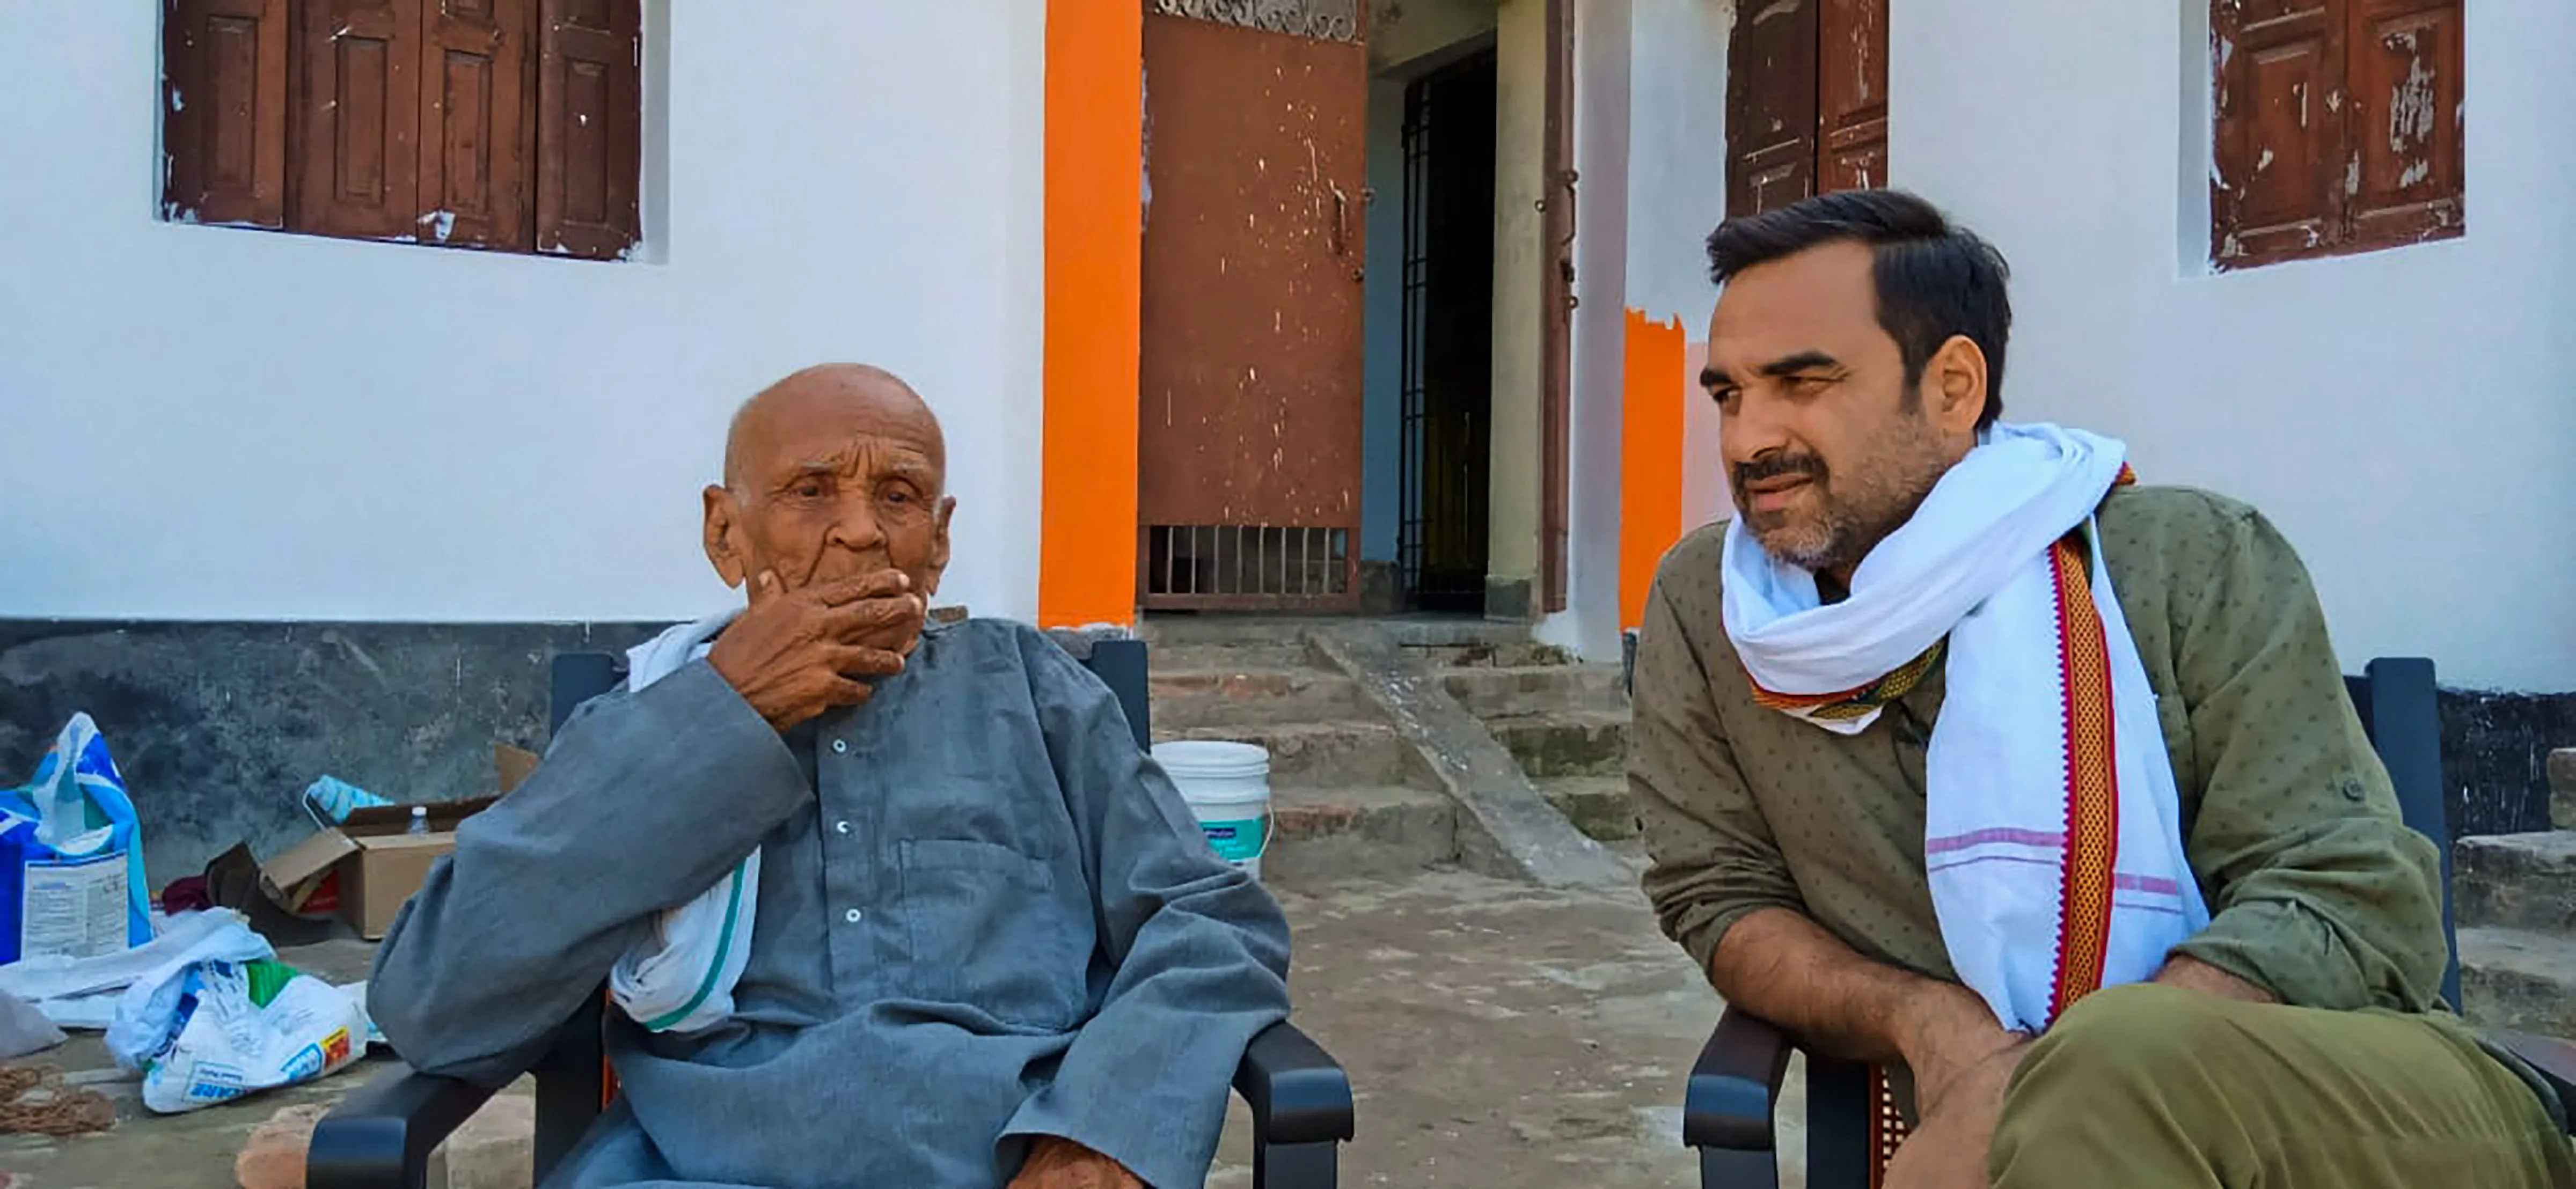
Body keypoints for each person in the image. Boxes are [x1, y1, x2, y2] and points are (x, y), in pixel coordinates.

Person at [1626, 189, 2571, 1187]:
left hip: (2336, 1109)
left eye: (1801, 383)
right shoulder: (1714, 611)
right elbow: (1721, 896)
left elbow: (2350, 893)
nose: (1745, 440)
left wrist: (2062, 1085)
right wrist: (1931, 1024)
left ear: (1952, 387)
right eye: (1727, 395)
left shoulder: (2184, 559)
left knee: (2111, 1070)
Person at [369, 363, 1293, 1189]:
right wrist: (727, 710)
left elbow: (1210, 924)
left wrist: (1100, 1139)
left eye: (899, 496)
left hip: (1008, 1156)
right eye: (811, 491)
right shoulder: (643, 718)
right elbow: (435, 1004)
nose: (860, 533)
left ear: (938, 540)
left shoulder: (1031, 691)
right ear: (724, 533)